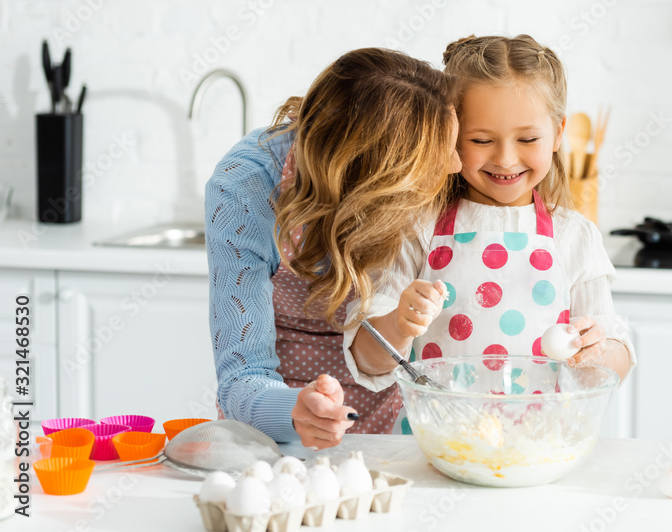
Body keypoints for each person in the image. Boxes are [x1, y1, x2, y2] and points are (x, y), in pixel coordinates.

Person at [346, 34, 635, 402]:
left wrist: (599, 351)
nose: (505, 159)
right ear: (450, 135)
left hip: (540, 446)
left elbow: (616, 361)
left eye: (528, 140)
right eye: (481, 141)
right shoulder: (417, 227)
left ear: (559, 133)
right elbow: (367, 360)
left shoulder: (574, 237)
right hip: (438, 445)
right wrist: (400, 325)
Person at [205, 48, 460, 448]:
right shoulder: (245, 190)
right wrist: (296, 410)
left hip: (390, 428)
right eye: (441, 157)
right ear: (377, 179)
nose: (456, 165)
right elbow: (240, 376)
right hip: (275, 435)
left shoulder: (428, 176)